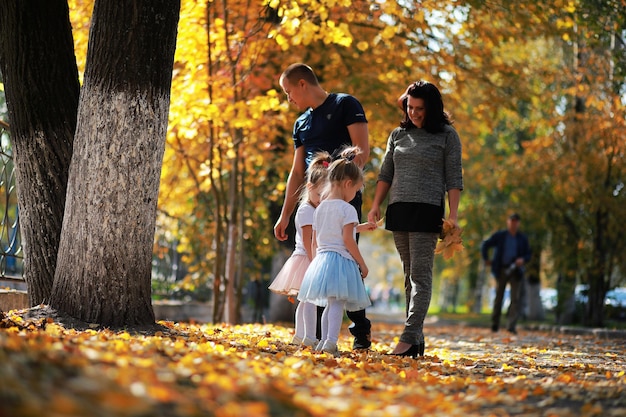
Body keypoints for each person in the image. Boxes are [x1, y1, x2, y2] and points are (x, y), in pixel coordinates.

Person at [274, 63, 372, 349]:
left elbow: (361, 152)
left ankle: (360, 329)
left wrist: (337, 194)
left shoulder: (345, 104)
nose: (289, 98)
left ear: (303, 83)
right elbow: (296, 172)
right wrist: (285, 214)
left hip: (342, 200)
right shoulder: (301, 123)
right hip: (312, 202)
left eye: (289, 92)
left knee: (344, 263)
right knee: (317, 265)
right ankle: (317, 336)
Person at [367, 81, 464, 358]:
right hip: (399, 210)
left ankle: (408, 337)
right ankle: (416, 342)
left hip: (427, 210)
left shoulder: (447, 136)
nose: (413, 113)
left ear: (431, 108)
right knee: (409, 277)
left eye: (420, 108)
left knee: (421, 277)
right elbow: (386, 173)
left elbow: (454, 178)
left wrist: (453, 215)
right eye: (409, 106)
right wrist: (376, 205)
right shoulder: (397, 135)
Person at [297, 146, 375, 355]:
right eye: (356, 191)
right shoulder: (348, 209)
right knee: (336, 304)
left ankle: (324, 341)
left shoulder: (320, 207)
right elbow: (348, 239)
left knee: (329, 304)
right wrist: (361, 263)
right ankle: (330, 342)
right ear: (348, 184)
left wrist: (315, 262)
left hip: (321, 259)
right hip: (340, 261)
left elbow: (317, 238)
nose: (354, 195)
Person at [268, 152, 331, 344]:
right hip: (306, 258)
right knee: (308, 302)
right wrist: (316, 265)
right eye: (320, 194)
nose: (323, 199)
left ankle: (301, 336)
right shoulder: (306, 211)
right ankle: (308, 336)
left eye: (327, 195)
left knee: (305, 301)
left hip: (309, 258)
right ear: (309, 187)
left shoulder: (315, 209)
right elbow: (307, 240)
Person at [481, 213, 532, 334]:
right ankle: (495, 324)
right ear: (508, 222)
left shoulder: (522, 238)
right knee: (499, 297)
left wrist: (523, 259)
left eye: (516, 221)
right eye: (512, 221)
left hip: (516, 271)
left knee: (516, 299)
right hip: (502, 270)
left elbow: (528, 254)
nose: (514, 223)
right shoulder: (500, 236)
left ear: (518, 223)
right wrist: (486, 259)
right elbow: (485, 244)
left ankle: (511, 325)